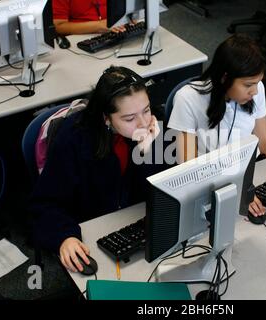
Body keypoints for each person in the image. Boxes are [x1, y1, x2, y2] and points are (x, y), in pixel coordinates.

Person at [29, 66, 164, 273]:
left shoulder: (153, 128)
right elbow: (45, 202)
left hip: (133, 227)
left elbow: (161, 191)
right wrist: (65, 236)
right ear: (106, 118)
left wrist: (147, 154)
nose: (144, 123)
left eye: (146, 110)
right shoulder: (73, 138)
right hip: (89, 232)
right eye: (129, 118)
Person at [167, 33, 266, 218]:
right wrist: (237, 192)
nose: (255, 91)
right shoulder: (188, 99)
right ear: (225, 78)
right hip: (208, 184)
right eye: (248, 84)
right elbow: (188, 169)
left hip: (249, 175)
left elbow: (264, 142)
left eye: (258, 83)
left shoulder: (257, 90)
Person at [52, 0, 126, 35]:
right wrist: (100, 25)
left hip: (109, 33)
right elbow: (58, 26)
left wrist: (127, 18)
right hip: (78, 39)